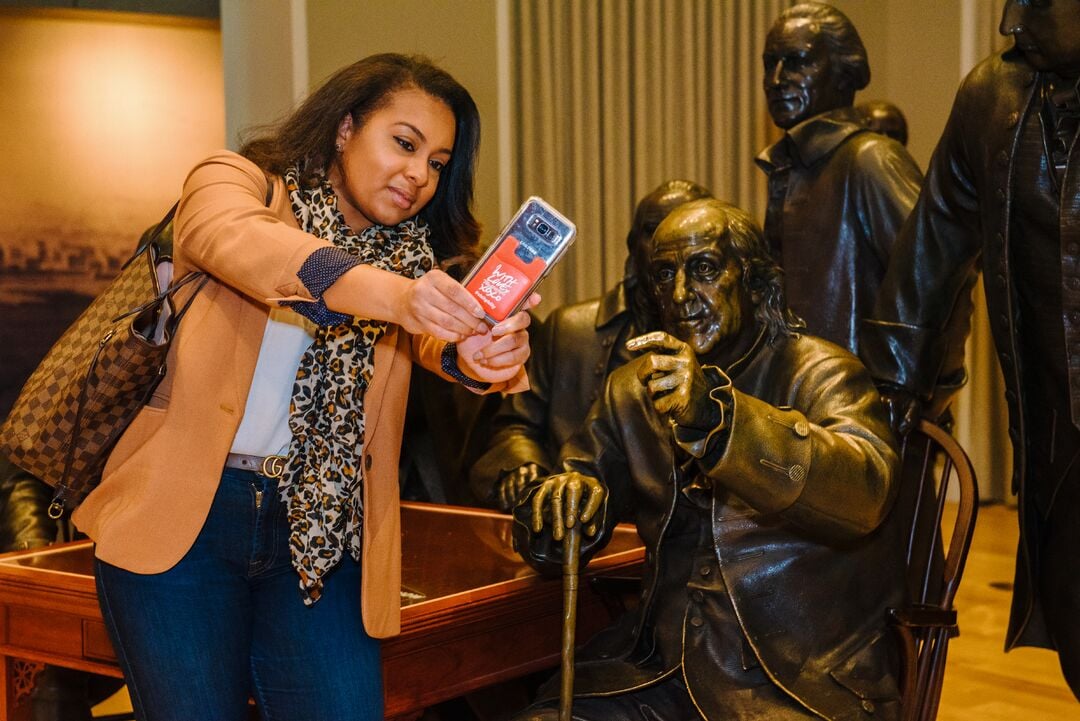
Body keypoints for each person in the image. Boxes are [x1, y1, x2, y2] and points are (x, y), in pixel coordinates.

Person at [73, 53, 535, 721]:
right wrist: (399, 299)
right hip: (185, 522)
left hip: (323, 532)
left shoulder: (408, 260)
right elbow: (247, 247)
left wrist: (483, 352)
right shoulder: (237, 184)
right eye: (404, 143)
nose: (419, 175)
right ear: (345, 127)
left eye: (437, 162)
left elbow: (441, 345)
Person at [512, 199, 904, 721]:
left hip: (792, 683)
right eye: (663, 275)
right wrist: (560, 506)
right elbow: (580, 486)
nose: (679, 296)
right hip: (651, 671)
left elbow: (865, 491)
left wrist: (719, 422)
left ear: (755, 281)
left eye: (703, 270)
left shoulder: (822, 372)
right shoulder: (630, 390)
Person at [860, 0, 1080, 699]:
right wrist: (886, 401)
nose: (1011, 23)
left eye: (1037, 3)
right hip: (1060, 452)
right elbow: (931, 252)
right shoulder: (991, 99)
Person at [469, 180, 711, 511]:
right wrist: (524, 466)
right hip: (574, 520)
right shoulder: (569, 330)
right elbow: (516, 426)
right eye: (653, 230)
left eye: (684, 231)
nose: (664, 244)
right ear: (631, 246)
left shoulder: (724, 333)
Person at [756, 4, 929, 368]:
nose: (776, 78)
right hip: (801, 400)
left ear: (845, 74)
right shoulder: (790, 166)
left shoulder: (869, 159)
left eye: (798, 61)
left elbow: (938, 279)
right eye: (770, 63)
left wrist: (906, 387)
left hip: (858, 406)